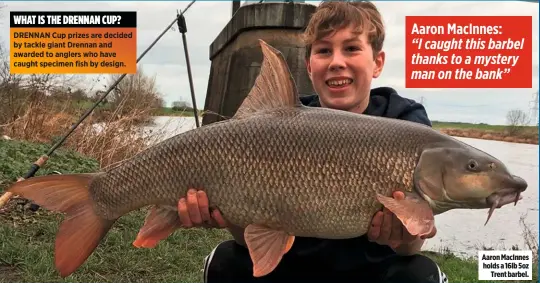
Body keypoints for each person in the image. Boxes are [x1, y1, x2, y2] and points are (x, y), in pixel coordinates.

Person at [178, 2, 448, 283]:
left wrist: (403, 236)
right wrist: (222, 212)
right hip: (289, 266)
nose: (336, 62)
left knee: (420, 275)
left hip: (370, 273)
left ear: (377, 62)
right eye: (323, 50)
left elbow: (412, 247)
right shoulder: (276, 125)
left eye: (352, 48)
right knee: (226, 262)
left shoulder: (406, 124)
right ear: (309, 66)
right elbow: (248, 239)